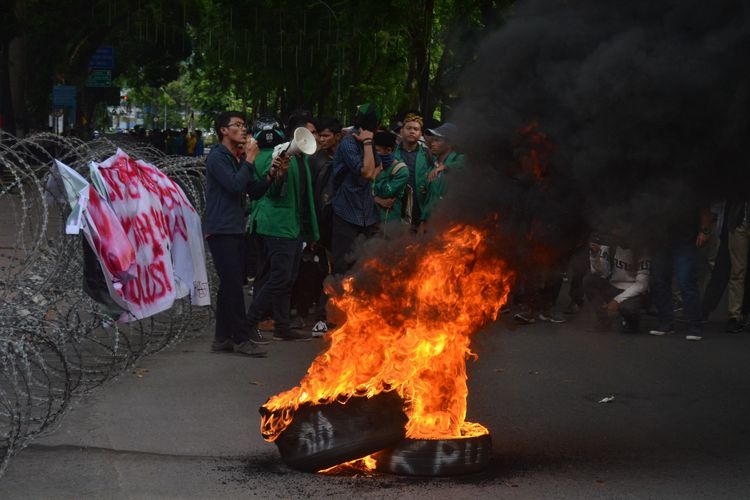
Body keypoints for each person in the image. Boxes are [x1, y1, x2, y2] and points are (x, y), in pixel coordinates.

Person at [204, 111, 275, 356]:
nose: (243, 130)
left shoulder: (235, 158)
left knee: (230, 284)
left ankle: (222, 338)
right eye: (237, 125)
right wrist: (250, 160)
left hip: (234, 227)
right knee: (234, 285)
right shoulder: (217, 157)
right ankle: (241, 338)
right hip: (221, 229)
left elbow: (252, 191)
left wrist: (272, 175)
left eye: (244, 126)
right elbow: (234, 185)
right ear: (224, 130)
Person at [245, 118, 319, 342]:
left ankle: (282, 325)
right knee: (278, 277)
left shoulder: (298, 157)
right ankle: (249, 322)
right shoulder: (266, 158)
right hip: (277, 226)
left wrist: (309, 231)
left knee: (285, 278)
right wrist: (280, 175)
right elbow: (274, 192)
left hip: (291, 226)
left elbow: (304, 197)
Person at [330, 102, 383, 275]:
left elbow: (378, 167)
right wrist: (367, 142)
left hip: (366, 215)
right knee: (342, 267)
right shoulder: (349, 143)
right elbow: (367, 172)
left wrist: (369, 143)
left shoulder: (370, 143)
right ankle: (332, 301)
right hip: (346, 213)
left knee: (361, 267)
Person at [583, 230, 650, 332]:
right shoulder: (610, 247)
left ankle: (632, 323)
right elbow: (602, 273)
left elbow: (641, 285)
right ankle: (604, 320)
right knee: (589, 280)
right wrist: (594, 255)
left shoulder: (642, 252)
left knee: (629, 309)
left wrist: (617, 300)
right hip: (613, 287)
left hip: (634, 292)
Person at [393, 113, 434, 231]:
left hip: (420, 208)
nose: (412, 131)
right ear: (401, 131)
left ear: (420, 134)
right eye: (409, 128)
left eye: (416, 129)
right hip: (397, 208)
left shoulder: (428, 154)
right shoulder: (392, 153)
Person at [372, 130, 409, 226]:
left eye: (377, 151)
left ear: (389, 150)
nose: (373, 154)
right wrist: (378, 200)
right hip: (369, 218)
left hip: (388, 221)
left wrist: (376, 174)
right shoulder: (370, 164)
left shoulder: (401, 170)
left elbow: (386, 192)